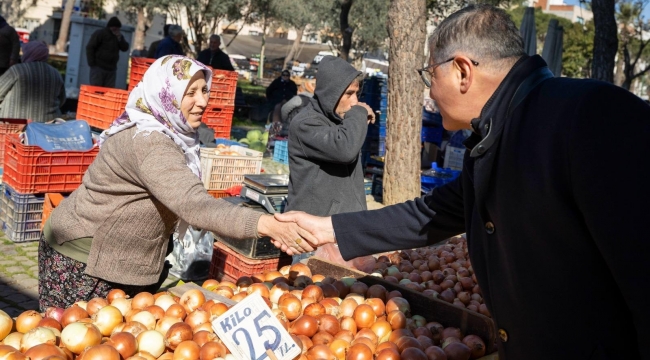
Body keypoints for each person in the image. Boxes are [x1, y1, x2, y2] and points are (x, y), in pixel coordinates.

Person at [275, 5, 650, 360]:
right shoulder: (493, 137)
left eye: (429, 76)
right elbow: (431, 214)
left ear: (462, 71)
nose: (431, 92)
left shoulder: (594, 116)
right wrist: (327, 228)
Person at [39, 55, 316, 311]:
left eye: (204, 90)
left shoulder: (173, 133)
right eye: (190, 93)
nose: (202, 102)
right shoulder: (150, 142)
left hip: (121, 259)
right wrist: (266, 224)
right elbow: (194, 204)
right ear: (166, 94)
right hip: (86, 261)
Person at [285, 56, 374, 264]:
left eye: (357, 95)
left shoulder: (339, 121)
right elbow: (344, 149)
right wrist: (359, 113)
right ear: (331, 93)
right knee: (309, 293)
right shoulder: (305, 124)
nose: (355, 102)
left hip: (343, 232)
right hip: (312, 238)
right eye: (349, 94)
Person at [0, 41, 66, 122]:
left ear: (28, 53)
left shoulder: (17, 70)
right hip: (47, 125)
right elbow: (62, 100)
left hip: (15, 124)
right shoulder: (56, 73)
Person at [86, 17, 129, 88]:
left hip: (111, 69)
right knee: (96, 90)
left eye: (117, 28)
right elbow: (90, 47)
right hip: (99, 67)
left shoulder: (118, 37)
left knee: (108, 92)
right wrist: (92, 63)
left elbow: (125, 48)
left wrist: (120, 39)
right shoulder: (101, 33)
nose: (116, 30)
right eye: (114, 27)